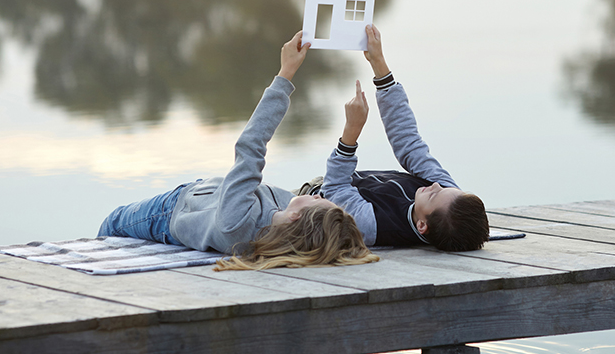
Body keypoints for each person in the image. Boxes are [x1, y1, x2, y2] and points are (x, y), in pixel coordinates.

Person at [98, 31, 379, 271]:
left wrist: (285, 75)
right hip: (201, 197)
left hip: (167, 213)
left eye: (319, 201)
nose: (318, 194)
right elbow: (333, 233)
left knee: (111, 224)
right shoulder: (286, 227)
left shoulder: (239, 224)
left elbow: (250, 146)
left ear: (297, 218)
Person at [319, 24, 490, 252]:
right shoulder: (448, 200)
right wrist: (378, 63)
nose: (435, 185)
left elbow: (335, 188)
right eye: (443, 188)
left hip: (310, 198)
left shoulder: (373, 226)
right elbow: (410, 145)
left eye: (434, 194)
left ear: (422, 225)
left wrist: (352, 131)